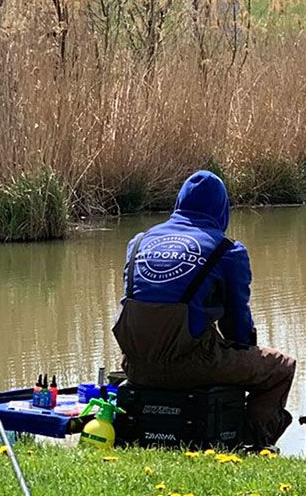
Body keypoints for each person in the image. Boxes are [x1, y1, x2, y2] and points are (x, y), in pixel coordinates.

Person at [112, 170, 295, 448]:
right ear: (222, 209)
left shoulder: (137, 243)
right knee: (281, 367)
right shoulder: (227, 251)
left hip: (135, 366)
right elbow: (237, 325)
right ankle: (253, 446)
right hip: (190, 365)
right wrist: (243, 355)